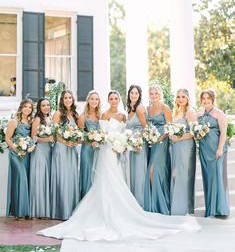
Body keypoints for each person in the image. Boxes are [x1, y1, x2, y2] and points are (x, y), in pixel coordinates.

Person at [38, 90, 199, 244]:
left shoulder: (123, 116)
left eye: (116, 98)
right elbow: (96, 132)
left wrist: (122, 144)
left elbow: (126, 132)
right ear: (107, 100)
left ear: (119, 100)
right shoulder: (103, 115)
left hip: (116, 151)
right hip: (104, 151)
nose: (114, 101)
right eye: (111, 98)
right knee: (102, 180)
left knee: (116, 179)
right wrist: (98, 139)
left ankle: (119, 211)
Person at [198, 89, 229, 217]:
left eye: (208, 98)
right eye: (203, 98)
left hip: (216, 150)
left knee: (217, 177)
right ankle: (210, 208)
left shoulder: (219, 113)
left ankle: (219, 209)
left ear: (212, 99)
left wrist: (220, 148)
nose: (205, 101)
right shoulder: (200, 114)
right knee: (208, 178)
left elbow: (223, 132)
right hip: (204, 150)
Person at [50, 90, 80, 220]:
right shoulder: (57, 114)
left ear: (73, 99)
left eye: (70, 97)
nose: (68, 100)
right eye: (65, 98)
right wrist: (65, 142)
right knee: (62, 176)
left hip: (72, 149)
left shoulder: (74, 114)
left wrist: (75, 140)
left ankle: (72, 209)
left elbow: (79, 132)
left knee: (71, 176)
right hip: (61, 148)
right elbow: (54, 134)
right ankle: (62, 211)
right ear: (62, 100)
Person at [144, 84, 172, 214]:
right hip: (153, 143)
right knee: (153, 172)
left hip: (162, 142)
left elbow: (170, 127)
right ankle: (155, 204)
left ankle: (161, 204)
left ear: (160, 94)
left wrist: (161, 138)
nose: (154, 96)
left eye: (156, 93)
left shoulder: (165, 107)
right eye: (151, 94)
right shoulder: (147, 108)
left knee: (153, 171)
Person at [5, 99, 34, 219]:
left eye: (30, 107)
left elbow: (32, 138)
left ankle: (23, 211)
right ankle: (18, 211)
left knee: (25, 179)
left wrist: (29, 147)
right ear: (21, 107)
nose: (27, 109)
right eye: (25, 106)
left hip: (26, 154)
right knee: (20, 178)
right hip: (15, 154)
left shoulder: (30, 122)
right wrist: (17, 150)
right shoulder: (14, 121)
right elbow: (7, 138)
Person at [170, 89, 197, 215]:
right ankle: (177, 206)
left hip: (186, 147)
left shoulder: (189, 112)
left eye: (183, 97)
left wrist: (178, 138)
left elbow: (193, 132)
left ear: (187, 98)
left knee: (183, 175)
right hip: (175, 147)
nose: (180, 99)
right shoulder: (175, 112)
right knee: (175, 174)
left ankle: (183, 208)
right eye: (178, 96)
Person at [30, 98, 54, 218]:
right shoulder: (37, 119)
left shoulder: (50, 118)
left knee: (47, 179)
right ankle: (38, 210)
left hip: (49, 151)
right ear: (39, 107)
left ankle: (46, 210)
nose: (46, 107)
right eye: (43, 105)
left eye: (48, 105)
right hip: (40, 151)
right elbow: (33, 137)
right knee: (40, 179)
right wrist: (47, 139)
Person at [126, 85, 148, 208]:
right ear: (129, 94)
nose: (133, 95)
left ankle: (140, 204)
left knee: (139, 173)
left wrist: (138, 141)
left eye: (136, 93)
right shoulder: (129, 109)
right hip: (131, 145)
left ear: (139, 96)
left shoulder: (139, 108)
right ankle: (134, 203)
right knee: (133, 173)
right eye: (132, 93)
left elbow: (146, 127)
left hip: (139, 145)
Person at [78, 90, 101, 199]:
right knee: (87, 173)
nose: (94, 101)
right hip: (87, 149)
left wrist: (99, 139)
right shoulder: (83, 117)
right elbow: (79, 137)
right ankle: (86, 200)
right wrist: (90, 140)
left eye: (96, 99)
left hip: (98, 150)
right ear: (88, 100)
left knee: (97, 174)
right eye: (92, 99)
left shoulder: (101, 115)